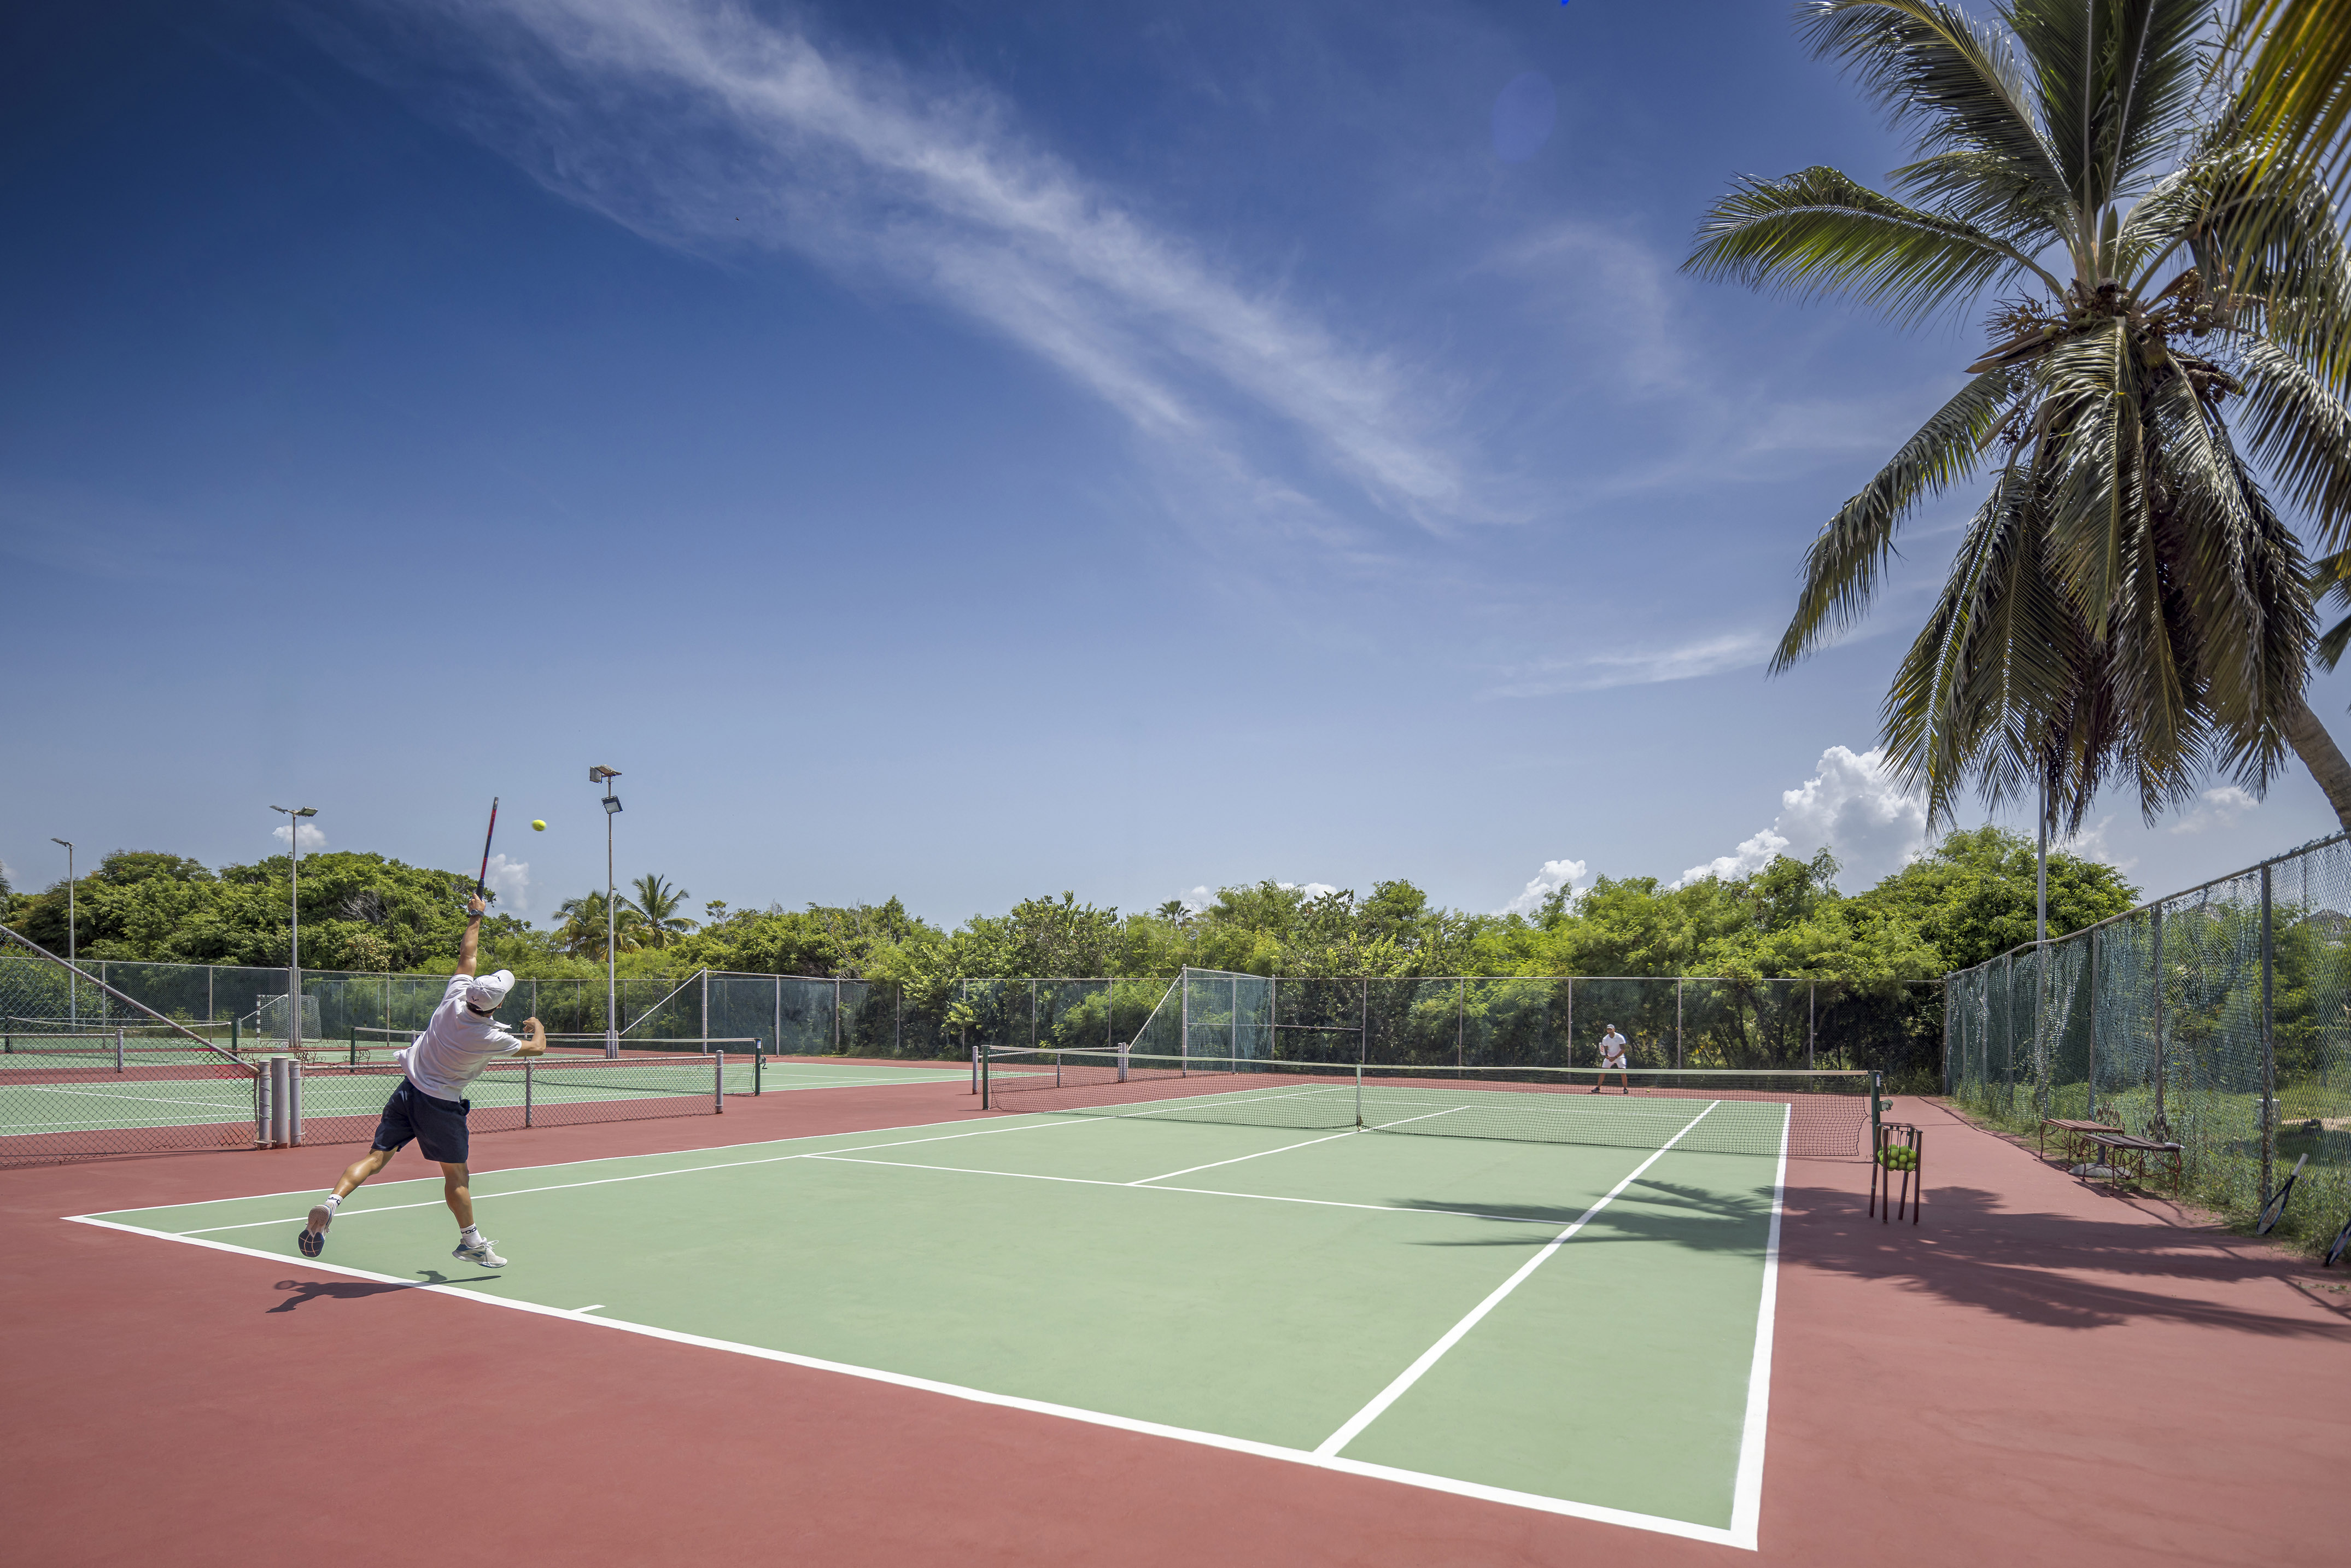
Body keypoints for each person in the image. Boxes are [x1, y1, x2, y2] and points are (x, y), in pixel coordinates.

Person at [299, 893, 545, 1266]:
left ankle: (332, 1202)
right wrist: (538, 1027)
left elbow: (467, 957)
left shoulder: (454, 998)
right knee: (457, 1175)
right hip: (440, 1105)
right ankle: (470, 1242)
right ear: (496, 1006)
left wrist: (475, 916)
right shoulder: (490, 1037)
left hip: (408, 1091)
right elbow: (538, 1049)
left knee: (376, 1157)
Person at [1592, 1023, 1631, 1094]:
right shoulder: (1605, 1039)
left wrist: (1615, 1057)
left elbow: (1623, 1050)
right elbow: (1605, 1050)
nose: (1609, 1031)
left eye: (1610, 1029)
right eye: (1608, 1029)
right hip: (1610, 1057)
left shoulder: (1620, 1037)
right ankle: (1598, 1088)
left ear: (1614, 1030)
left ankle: (1625, 1088)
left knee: (1622, 1072)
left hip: (1620, 1057)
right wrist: (1606, 1056)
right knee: (1603, 1072)